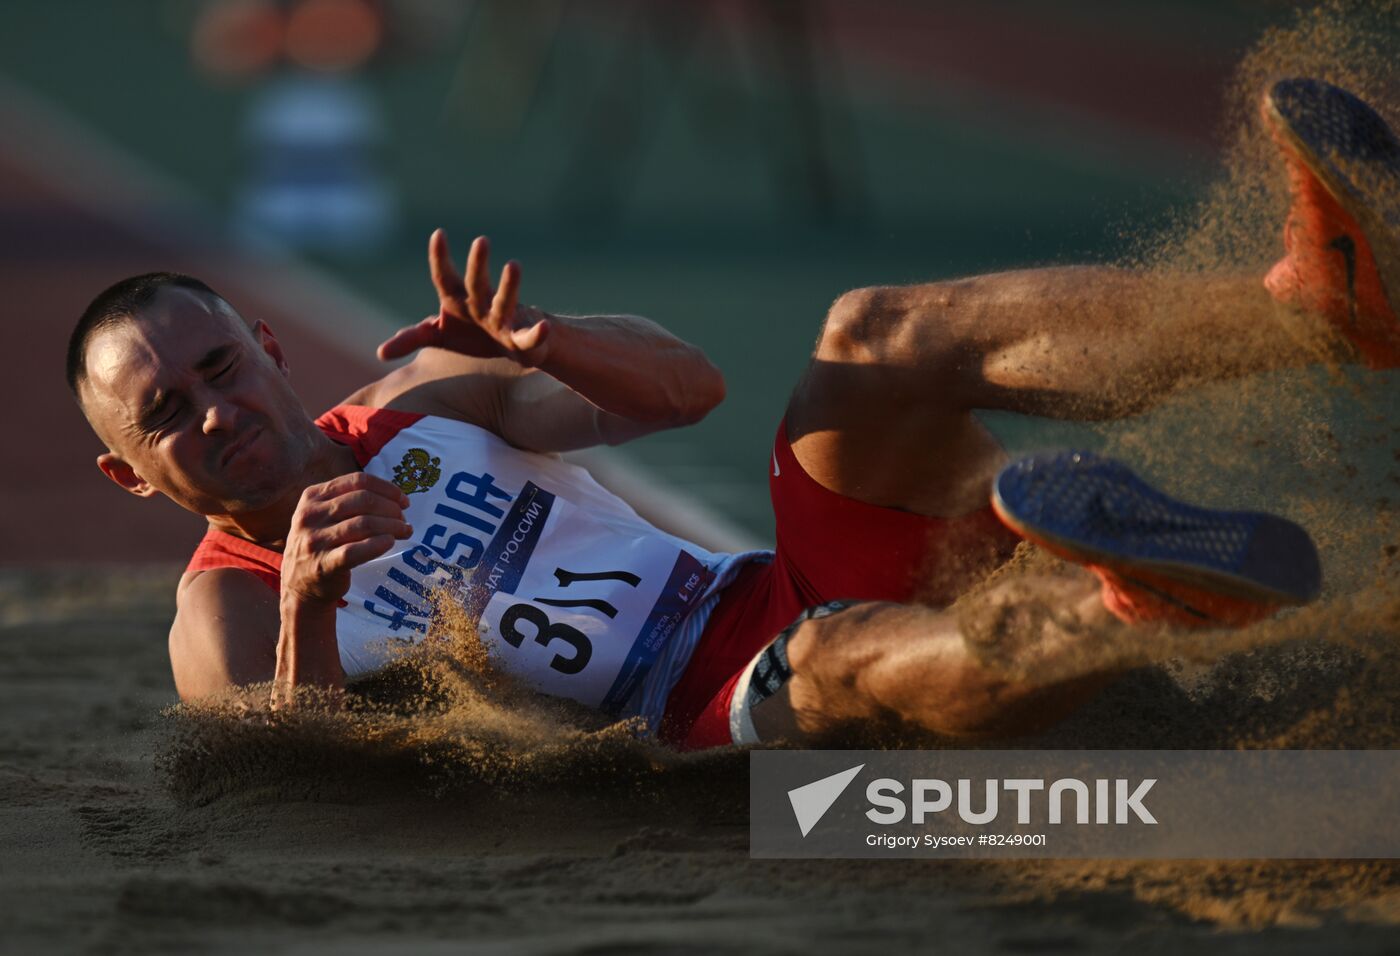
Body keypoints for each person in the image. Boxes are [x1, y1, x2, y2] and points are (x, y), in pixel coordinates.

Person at [66, 78, 1395, 749]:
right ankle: (1113, 602)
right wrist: (304, 599)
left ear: (267, 345)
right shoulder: (225, 610)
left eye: (219, 371)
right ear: (131, 473)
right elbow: (285, 793)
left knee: (871, 334)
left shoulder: (418, 402)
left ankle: (1307, 310)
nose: (212, 414)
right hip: (704, 730)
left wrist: (549, 344)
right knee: (833, 660)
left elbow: (687, 390)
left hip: (768, 584)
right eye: (167, 414)